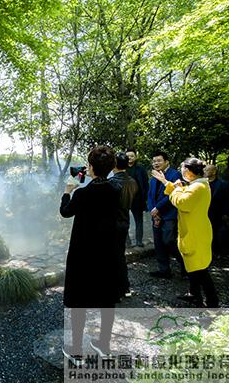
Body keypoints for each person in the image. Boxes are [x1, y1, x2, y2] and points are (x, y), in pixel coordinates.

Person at [60, 145, 120, 361]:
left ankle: (76, 351)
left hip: (83, 252)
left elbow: (65, 212)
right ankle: (104, 345)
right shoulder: (116, 190)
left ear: (91, 167)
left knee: (78, 300)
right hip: (108, 252)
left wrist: (67, 191)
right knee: (106, 299)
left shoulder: (82, 193)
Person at [152, 158, 219, 307]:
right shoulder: (197, 184)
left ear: (188, 171)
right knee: (193, 267)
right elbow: (182, 193)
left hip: (195, 232)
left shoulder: (198, 187)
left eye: (182, 169)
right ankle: (194, 294)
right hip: (195, 230)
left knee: (200, 269)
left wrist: (175, 188)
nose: (181, 172)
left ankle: (212, 302)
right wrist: (166, 182)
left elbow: (182, 202)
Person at [148, 151, 184, 278]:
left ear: (166, 162)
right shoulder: (154, 177)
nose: (156, 163)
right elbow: (150, 196)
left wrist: (158, 208)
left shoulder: (175, 174)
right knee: (158, 243)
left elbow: (173, 193)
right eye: (154, 161)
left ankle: (186, 266)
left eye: (159, 160)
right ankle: (164, 270)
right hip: (156, 215)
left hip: (169, 214)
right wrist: (153, 211)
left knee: (169, 241)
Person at [110, 152, 138, 298]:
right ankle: (124, 287)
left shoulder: (112, 182)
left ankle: (115, 290)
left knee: (111, 257)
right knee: (120, 256)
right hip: (124, 222)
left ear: (114, 165)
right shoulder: (132, 181)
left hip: (112, 224)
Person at [204, 165, 229, 253]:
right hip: (203, 212)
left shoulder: (223, 184)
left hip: (217, 213)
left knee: (215, 232)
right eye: (204, 169)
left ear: (214, 172)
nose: (204, 171)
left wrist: (226, 213)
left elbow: (227, 199)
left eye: (207, 170)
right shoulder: (202, 183)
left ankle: (214, 251)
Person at [126, 148, 149, 248]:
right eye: (128, 156)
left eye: (132, 156)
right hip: (125, 199)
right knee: (124, 221)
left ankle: (139, 240)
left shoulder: (141, 168)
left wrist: (145, 197)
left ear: (136, 157)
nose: (130, 158)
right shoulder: (122, 168)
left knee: (139, 220)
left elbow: (145, 183)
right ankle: (127, 242)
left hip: (138, 199)